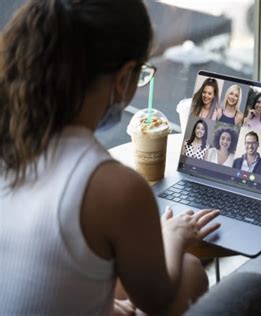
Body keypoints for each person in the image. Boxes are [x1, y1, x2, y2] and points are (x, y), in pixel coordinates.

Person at [0, 1, 220, 315]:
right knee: (191, 272)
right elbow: (156, 300)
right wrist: (172, 237)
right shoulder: (115, 187)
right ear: (123, 77)